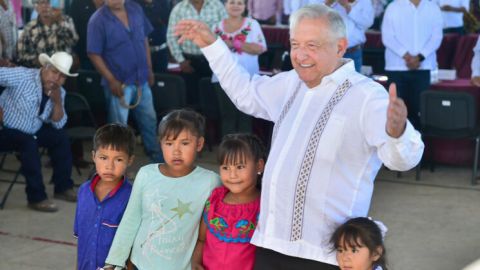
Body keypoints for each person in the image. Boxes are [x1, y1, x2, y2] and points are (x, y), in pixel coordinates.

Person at [174, 4, 424, 269]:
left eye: (312, 46)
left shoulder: (367, 97)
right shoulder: (289, 82)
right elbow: (245, 93)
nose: (300, 55)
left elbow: (404, 160)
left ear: (340, 47)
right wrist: (212, 45)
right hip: (270, 243)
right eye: (295, 44)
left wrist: (397, 133)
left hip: (324, 253)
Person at [103, 109, 220, 270]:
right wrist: (114, 262)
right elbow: (130, 220)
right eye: (169, 143)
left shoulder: (210, 182)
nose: (176, 151)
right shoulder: (146, 174)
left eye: (185, 143)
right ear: (160, 143)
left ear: (199, 144)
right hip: (139, 264)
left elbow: (208, 234)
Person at [0, 52, 78, 212]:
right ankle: (36, 197)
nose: (56, 79)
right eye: (54, 72)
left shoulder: (59, 92)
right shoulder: (22, 75)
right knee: (28, 142)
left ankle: (62, 187)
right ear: (45, 67)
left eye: (62, 76)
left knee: (60, 137)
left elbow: (59, 124)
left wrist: (57, 102)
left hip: (31, 131)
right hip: (6, 130)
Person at [87, 0, 163, 163]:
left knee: (149, 120)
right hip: (119, 82)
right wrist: (111, 79)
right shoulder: (97, 19)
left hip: (141, 78)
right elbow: (93, 53)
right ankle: (117, 162)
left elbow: (144, 40)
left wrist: (149, 68)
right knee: (118, 127)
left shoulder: (135, 8)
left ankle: (155, 156)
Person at [191, 133, 266, 270]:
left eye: (240, 167)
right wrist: (195, 262)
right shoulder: (215, 200)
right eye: (226, 167)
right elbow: (202, 240)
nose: (232, 175)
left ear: (259, 166)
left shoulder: (265, 206)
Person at [74, 123, 135, 270]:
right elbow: (81, 239)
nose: (109, 166)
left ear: (130, 160)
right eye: (103, 157)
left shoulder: (132, 197)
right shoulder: (83, 192)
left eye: (118, 159)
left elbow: (135, 247)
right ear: (94, 156)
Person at [381, 0, 443, 129]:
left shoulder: (433, 8)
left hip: (423, 69)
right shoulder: (393, 7)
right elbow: (387, 37)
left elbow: (436, 37)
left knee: (420, 114)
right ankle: (396, 148)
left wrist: (419, 58)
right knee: (396, 114)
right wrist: (406, 56)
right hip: (396, 68)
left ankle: (418, 148)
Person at [212, 0, 266, 137]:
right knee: (227, 116)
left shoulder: (252, 24)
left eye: (240, 3)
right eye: (232, 2)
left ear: (245, 6)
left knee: (245, 116)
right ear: (225, 5)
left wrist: (234, 43)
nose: (236, 6)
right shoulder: (216, 27)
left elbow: (260, 48)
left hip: (247, 78)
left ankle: (245, 153)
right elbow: (211, 53)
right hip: (222, 78)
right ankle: (227, 155)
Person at [166, 0, 227, 107]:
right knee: (193, 100)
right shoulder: (178, 9)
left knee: (214, 98)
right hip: (189, 62)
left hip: (214, 59)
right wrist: (181, 61)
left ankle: (211, 122)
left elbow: (226, 30)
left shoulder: (216, 5)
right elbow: (171, 37)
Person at [17, 0, 78, 68]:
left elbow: (73, 41)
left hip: (65, 68)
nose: (45, 6)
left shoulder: (66, 20)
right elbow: (21, 55)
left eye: (48, 2)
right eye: (41, 2)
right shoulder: (30, 28)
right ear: (36, 7)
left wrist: (60, 21)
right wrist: (37, 61)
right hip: (42, 71)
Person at [325, 0, 374, 72]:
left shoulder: (365, 1)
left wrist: (347, 7)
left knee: (353, 82)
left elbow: (368, 23)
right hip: (332, 52)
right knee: (330, 82)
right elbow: (316, 17)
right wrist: (328, 4)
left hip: (353, 52)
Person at [135, 0, 171, 73]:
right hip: (141, 52)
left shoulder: (163, 2)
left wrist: (152, 3)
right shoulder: (132, 4)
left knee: (162, 79)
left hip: (161, 51)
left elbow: (168, 21)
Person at [68, 0, 104, 70]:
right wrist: (74, 54)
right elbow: (72, 30)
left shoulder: (113, 3)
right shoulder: (77, 3)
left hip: (109, 56)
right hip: (85, 57)